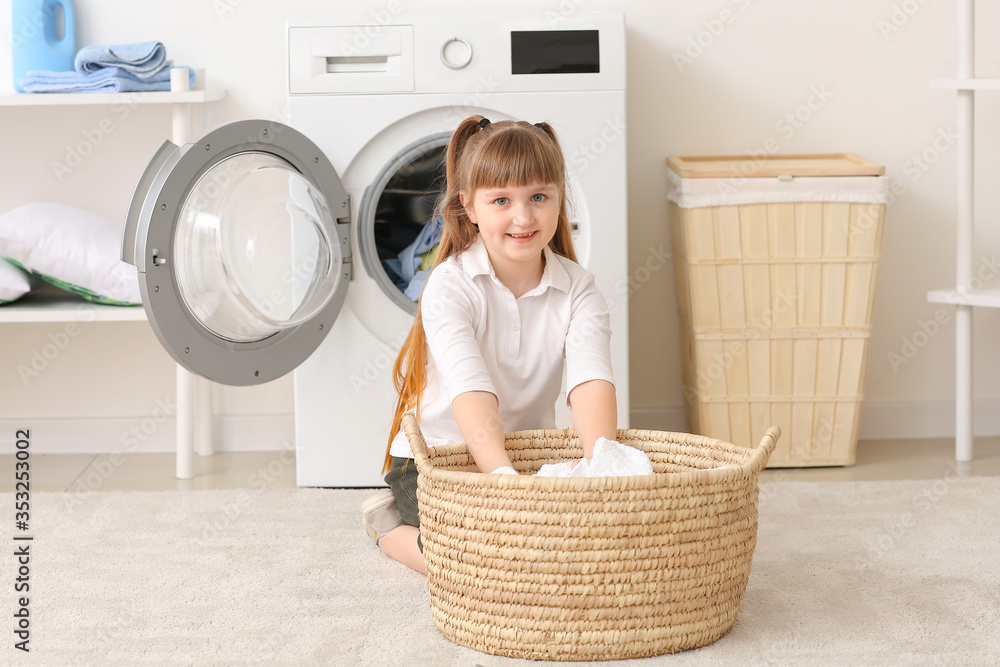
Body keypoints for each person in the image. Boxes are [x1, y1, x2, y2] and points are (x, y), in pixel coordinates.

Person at [361, 115, 618, 574]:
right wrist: (502, 483)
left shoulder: (579, 289)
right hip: (441, 458)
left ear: (560, 198)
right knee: (487, 560)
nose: (523, 217)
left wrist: (603, 468)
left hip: (527, 456)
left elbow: (591, 383)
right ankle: (387, 527)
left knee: (576, 549)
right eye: (501, 200)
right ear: (469, 207)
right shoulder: (451, 285)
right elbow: (471, 392)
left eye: (539, 196)